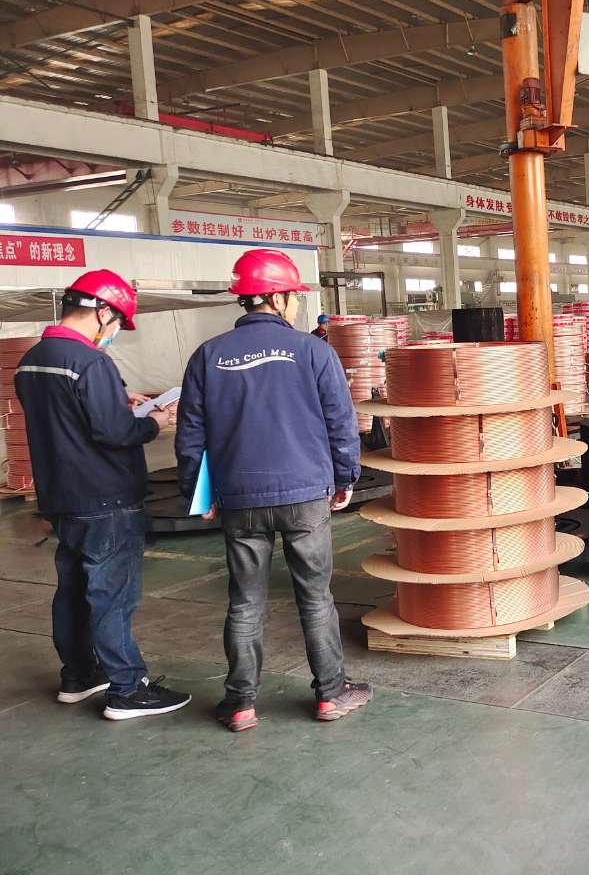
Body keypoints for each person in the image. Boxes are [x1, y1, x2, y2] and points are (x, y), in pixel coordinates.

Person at [176, 249, 369, 732]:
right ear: (279, 298)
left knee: (245, 602)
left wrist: (199, 493)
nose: (298, 306)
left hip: (239, 497)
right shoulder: (313, 351)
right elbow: (341, 422)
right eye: (295, 297)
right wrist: (345, 477)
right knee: (315, 597)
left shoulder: (208, 356)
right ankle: (330, 694)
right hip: (305, 494)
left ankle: (240, 704)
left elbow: (190, 434)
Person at [16, 270, 192, 720]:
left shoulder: (33, 360)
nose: (113, 333)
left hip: (61, 496)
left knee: (73, 591)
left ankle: (78, 676)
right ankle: (127, 689)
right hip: (105, 499)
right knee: (112, 595)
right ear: (103, 312)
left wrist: (117, 400)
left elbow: (68, 419)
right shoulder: (91, 362)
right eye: (116, 323)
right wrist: (155, 421)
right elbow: (116, 433)